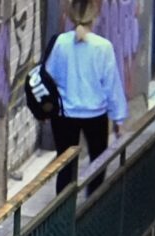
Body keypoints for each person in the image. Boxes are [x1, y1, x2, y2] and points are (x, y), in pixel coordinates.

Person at [45, 0, 128, 194]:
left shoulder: (60, 43)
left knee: (65, 167)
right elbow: (111, 85)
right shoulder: (103, 47)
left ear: (70, 16)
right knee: (98, 165)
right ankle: (92, 204)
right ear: (95, 16)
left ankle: (64, 208)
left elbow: (49, 76)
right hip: (95, 115)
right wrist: (119, 119)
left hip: (65, 115)